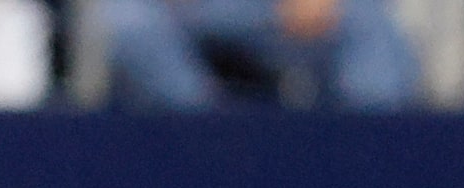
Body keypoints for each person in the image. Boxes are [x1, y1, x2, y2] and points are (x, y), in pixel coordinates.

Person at [104, 0, 422, 108]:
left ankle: (369, 158)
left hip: (275, 13)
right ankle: (206, 143)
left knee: (368, 27)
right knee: (130, 24)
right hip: (188, 13)